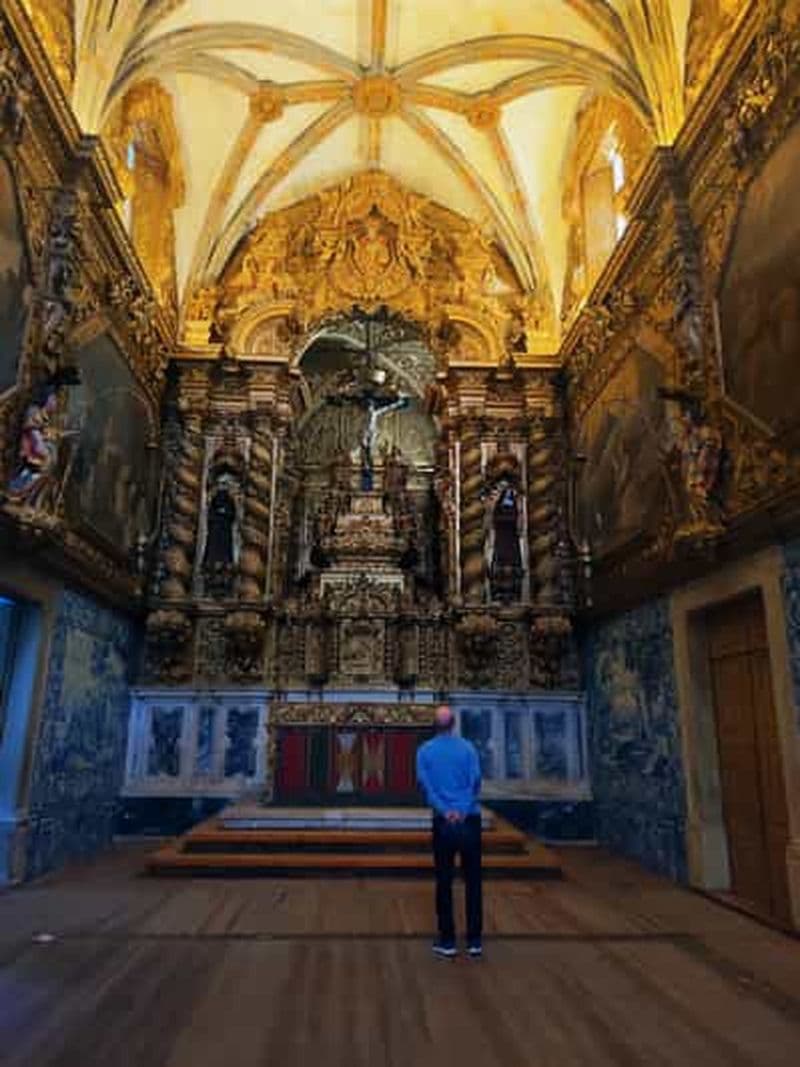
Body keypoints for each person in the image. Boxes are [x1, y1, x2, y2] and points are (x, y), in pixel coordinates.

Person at [416, 705, 483, 959]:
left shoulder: (424, 751)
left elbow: (426, 786)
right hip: (470, 819)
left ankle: (447, 941)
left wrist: (446, 811)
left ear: (434, 724)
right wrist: (463, 809)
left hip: (443, 822)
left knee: (444, 881)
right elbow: (475, 781)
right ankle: (475, 941)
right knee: (473, 881)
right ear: (453, 723)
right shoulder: (468, 748)